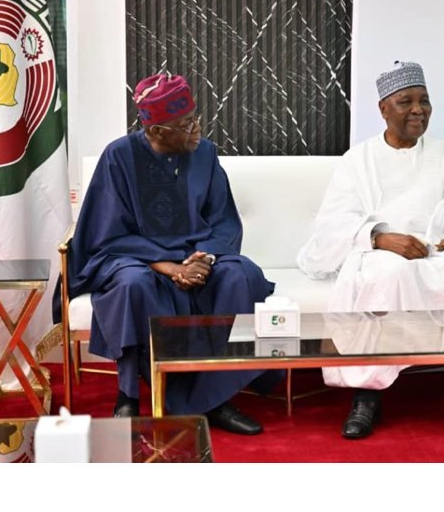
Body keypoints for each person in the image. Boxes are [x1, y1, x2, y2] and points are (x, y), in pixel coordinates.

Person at [61, 73, 280, 434]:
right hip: (136, 258)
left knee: (241, 275)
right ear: (157, 131)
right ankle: (128, 396)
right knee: (133, 284)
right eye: (185, 125)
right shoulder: (119, 156)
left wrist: (203, 258)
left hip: (196, 254)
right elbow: (106, 233)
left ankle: (214, 397)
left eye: (195, 119)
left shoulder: (205, 153)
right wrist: (168, 268)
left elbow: (223, 219)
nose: (197, 130)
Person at [297, 61, 444, 439]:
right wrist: (380, 239)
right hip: (380, 254)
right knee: (386, 273)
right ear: (383, 109)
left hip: (439, 255)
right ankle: (367, 395)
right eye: (406, 101)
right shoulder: (359, 160)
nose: (418, 110)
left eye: (424, 101)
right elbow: (333, 224)